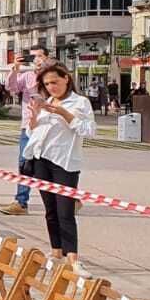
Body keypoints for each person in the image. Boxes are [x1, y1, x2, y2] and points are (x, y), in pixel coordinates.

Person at [24, 63, 94, 268]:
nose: (51, 87)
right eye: (47, 84)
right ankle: (56, 250)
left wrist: (65, 114)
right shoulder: (47, 101)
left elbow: (89, 130)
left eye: (55, 81)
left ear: (66, 79)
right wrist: (34, 117)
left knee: (65, 211)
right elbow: (33, 134)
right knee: (50, 210)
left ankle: (72, 256)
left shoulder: (80, 102)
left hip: (64, 162)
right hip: (41, 159)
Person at [0, 45, 53, 216]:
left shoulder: (54, 75)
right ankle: (21, 201)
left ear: (47, 57)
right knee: (25, 163)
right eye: (32, 57)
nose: (36, 61)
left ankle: (69, 197)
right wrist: (15, 69)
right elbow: (12, 87)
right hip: (28, 126)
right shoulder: (27, 75)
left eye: (39, 56)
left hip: (49, 126)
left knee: (52, 164)